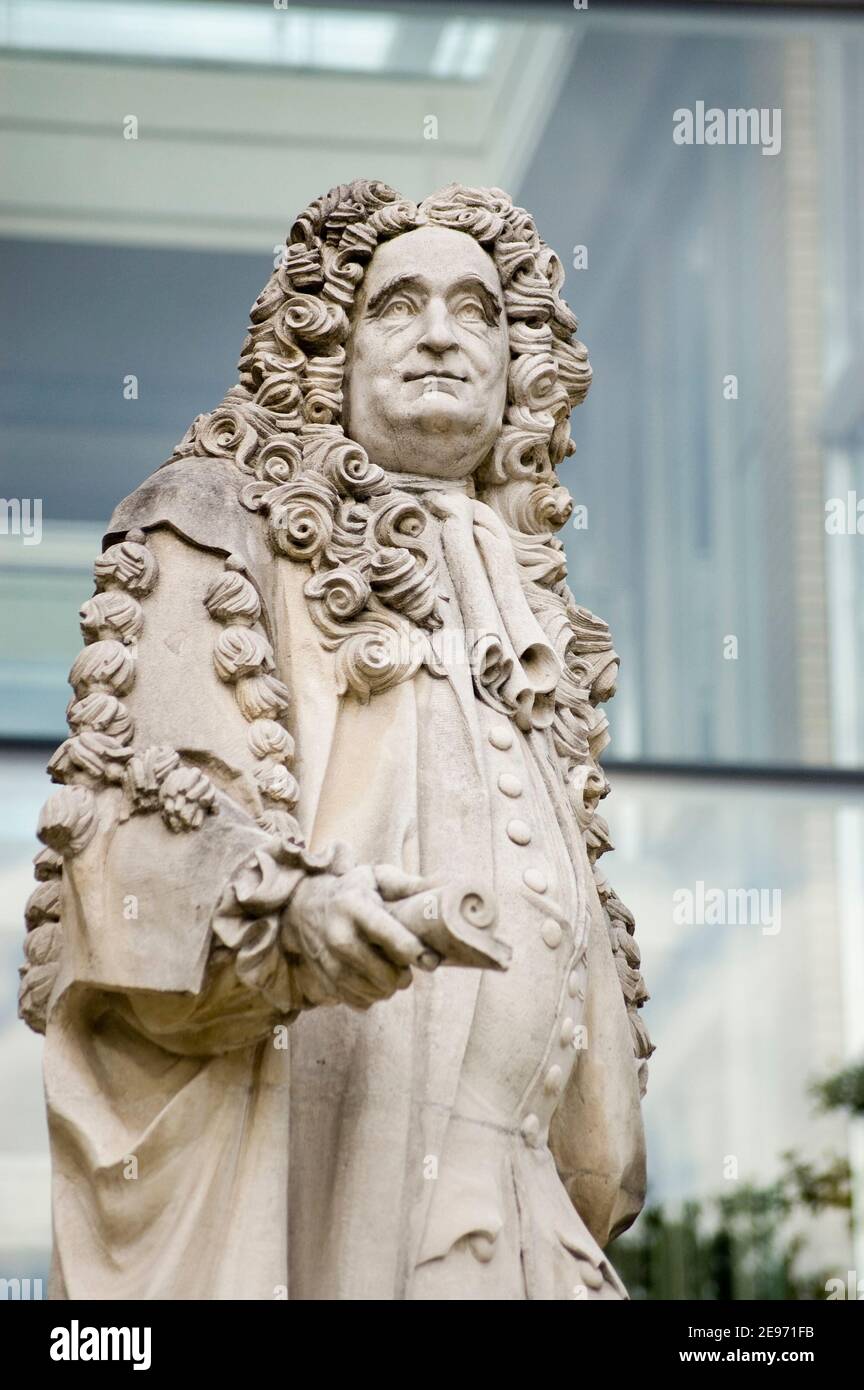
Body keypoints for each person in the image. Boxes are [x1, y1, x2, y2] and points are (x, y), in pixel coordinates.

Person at [21, 180, 652, 1300]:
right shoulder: (215, 525)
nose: (443, 335)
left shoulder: (535, 616)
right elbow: (125, 834)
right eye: (399, 303)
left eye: (478, 310)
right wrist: (285, 912)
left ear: (522, 367)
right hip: (343, 1187)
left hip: (535, 1223)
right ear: (331, 350)